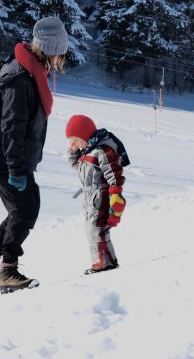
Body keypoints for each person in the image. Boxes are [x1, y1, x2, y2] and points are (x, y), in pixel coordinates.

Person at [0, 16, 69, 292]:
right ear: (49, 49)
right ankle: (7, 270)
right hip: (5, 158)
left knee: (23, 209)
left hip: (10, 157)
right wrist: (15, 170)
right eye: (60, 52)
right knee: (25, 210)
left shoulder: (30, 73)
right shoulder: (21, 79)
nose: (61, 59)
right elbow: (12, 128)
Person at [66, 114, 129, 275]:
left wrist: (116, 193)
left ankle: (103, 264)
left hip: (100, 196)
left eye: (75, 140)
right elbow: (76, 165)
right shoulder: (87, 151)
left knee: (96, 229)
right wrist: (72, 151)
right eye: (71, 141)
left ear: (85, 134)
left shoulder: (101, 150)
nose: (74, 144)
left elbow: (113, 172)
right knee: (92, 230)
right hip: (90, 198)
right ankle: (106, 262)